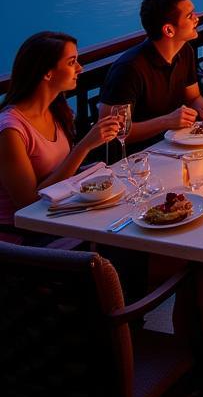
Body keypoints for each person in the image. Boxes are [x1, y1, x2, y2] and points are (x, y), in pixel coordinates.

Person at [0, 32, 120, 243]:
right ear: (47, 73)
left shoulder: (56, 111)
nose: (80, 68)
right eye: (72, 62)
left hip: (61, 213)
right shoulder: (11, 130)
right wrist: (83, 147)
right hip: (26, 236)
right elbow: (28, 203)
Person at [98, 0, 203, 148]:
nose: (197, 18)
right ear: (169, 30)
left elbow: (192, 97)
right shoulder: (129, 69)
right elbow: (112, 133)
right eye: (189, 15)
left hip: (173, 144)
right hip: (137, 157)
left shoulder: (185, 51)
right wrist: (166, 121)